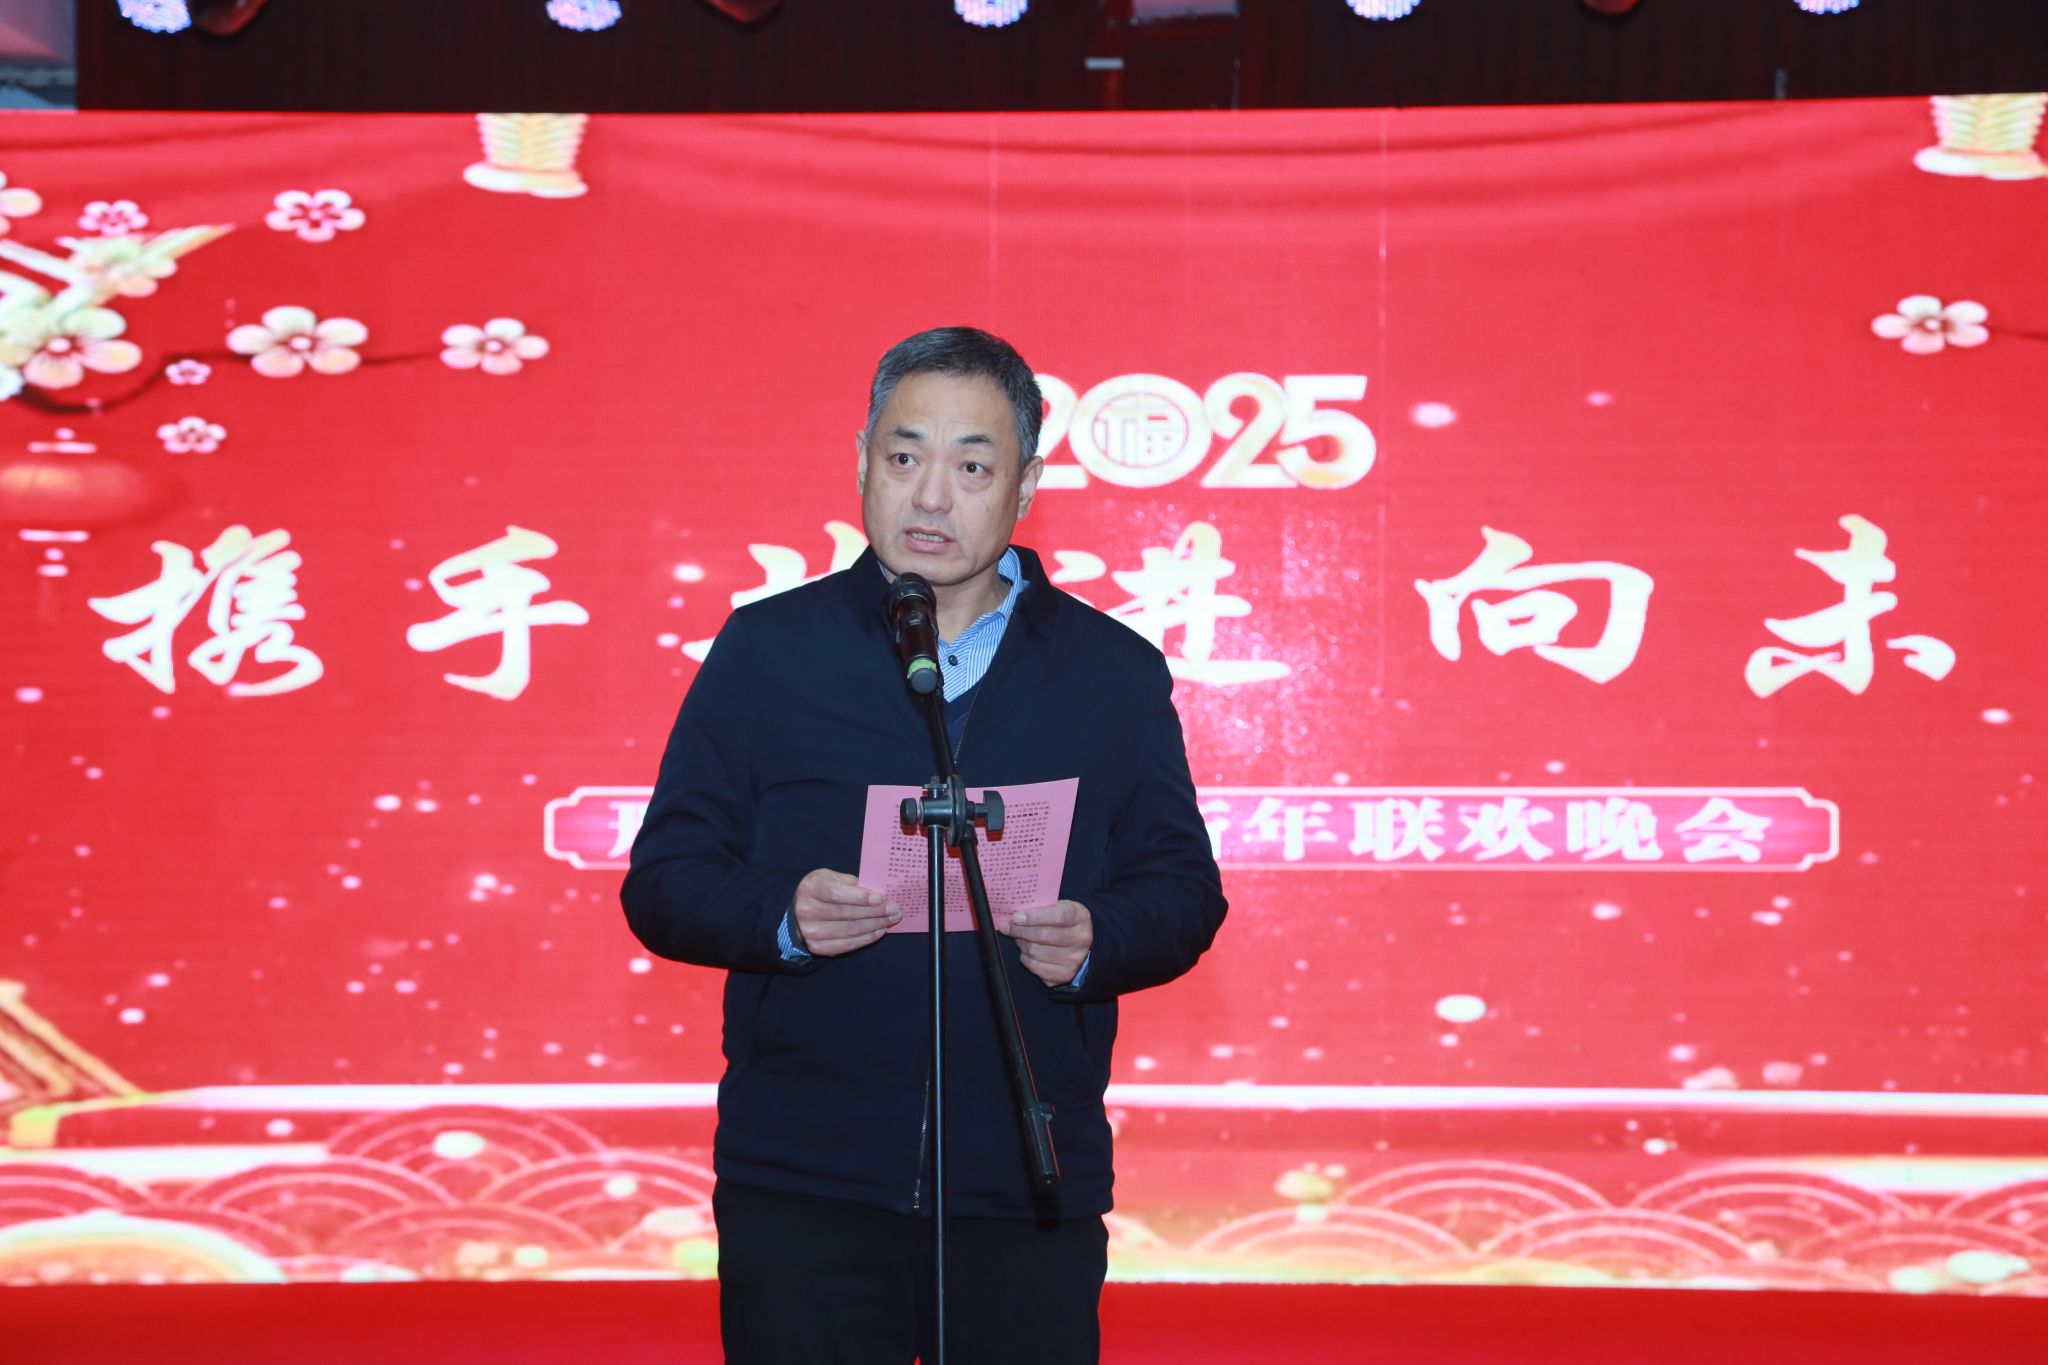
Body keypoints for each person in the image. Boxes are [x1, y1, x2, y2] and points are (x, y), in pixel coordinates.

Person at [620, 326, 1227, 1363]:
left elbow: (1181, 887)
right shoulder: (770, 651)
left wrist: (1100, 937)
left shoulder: (1107, 672)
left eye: (972, 466)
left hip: (1024, 1180)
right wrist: (781, 917)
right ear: (863, 460)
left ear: (1026, 484)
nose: (931, 496)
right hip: (806, 1180)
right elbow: (667, 879)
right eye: (904, 457)